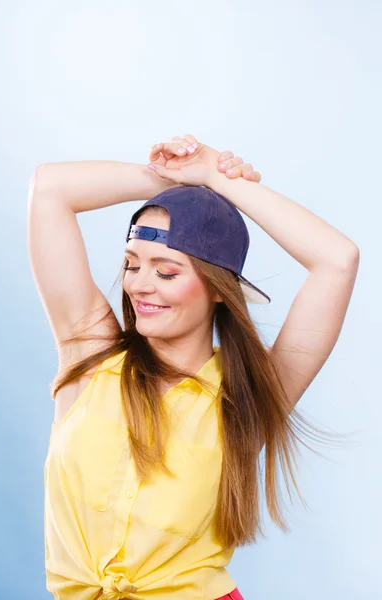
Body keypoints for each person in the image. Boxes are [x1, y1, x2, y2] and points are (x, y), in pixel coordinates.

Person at [28, 134, 360, 600]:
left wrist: (218, 181)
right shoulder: (90, 356)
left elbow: (337, 260)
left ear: (219, 288)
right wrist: (176, 182)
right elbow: (50, 189)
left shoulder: (247, 400)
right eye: (132, 264)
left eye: (166, 272)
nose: (141, 286)